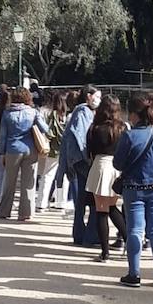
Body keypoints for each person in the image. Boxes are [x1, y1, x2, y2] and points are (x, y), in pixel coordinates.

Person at [113, 92, 153, 288]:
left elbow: (118, 163)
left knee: (135, 230)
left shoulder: (129, 136)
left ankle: (134, 273)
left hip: (134, 187)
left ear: (135, 115)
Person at [56, 85, 102, 246]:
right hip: (82, 161)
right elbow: (79, 136)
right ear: (88, 96)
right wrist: (87, 157)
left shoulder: (80, 111)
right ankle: (88, 235)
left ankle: (80, 234)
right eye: (97, 96)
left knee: (82, 201)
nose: (99, 99)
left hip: (78, 161)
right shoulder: (83, 112)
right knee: (88, 200)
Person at [0, 88, 49, 221]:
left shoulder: (7, 113)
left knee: (9, 182)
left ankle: (4, 211)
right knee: (28, 182)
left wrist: (2, 153)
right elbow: (45, 129)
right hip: (30, 149)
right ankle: (26, 213)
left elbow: (3, 136)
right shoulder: (33, 112)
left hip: (12, 149)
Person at [85, 95, 128, 261]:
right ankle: (129, 241)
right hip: (116, 167)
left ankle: (105, 252)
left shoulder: (95, 127)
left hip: (100, 165)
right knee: (112, 207)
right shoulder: (123, 127)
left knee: (101, 210)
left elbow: (90, 150)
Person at [37, 91, 68, 211]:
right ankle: (61, 202)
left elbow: (48, 132)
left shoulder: (52, 115)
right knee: (64, 177)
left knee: (47, 176)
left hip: (53, 149)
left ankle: (41, 202)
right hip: (65, 150)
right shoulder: (68, 116)